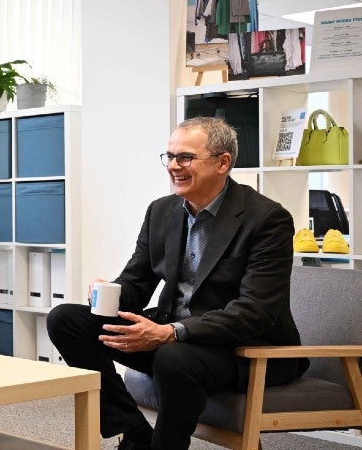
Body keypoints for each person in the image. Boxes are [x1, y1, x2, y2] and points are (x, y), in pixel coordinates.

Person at [47, 117, 307, 450]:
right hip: (173, 336)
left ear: (222, 162)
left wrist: (170, 333)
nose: (173, 166)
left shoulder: (267, 219)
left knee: (173, 357)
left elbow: (255, 311)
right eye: (169, 157)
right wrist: (109, 292)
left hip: (243, 349)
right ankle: (133, 431)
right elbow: (136, 284)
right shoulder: (162, 211)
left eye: (185, 157)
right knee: (66, 319)